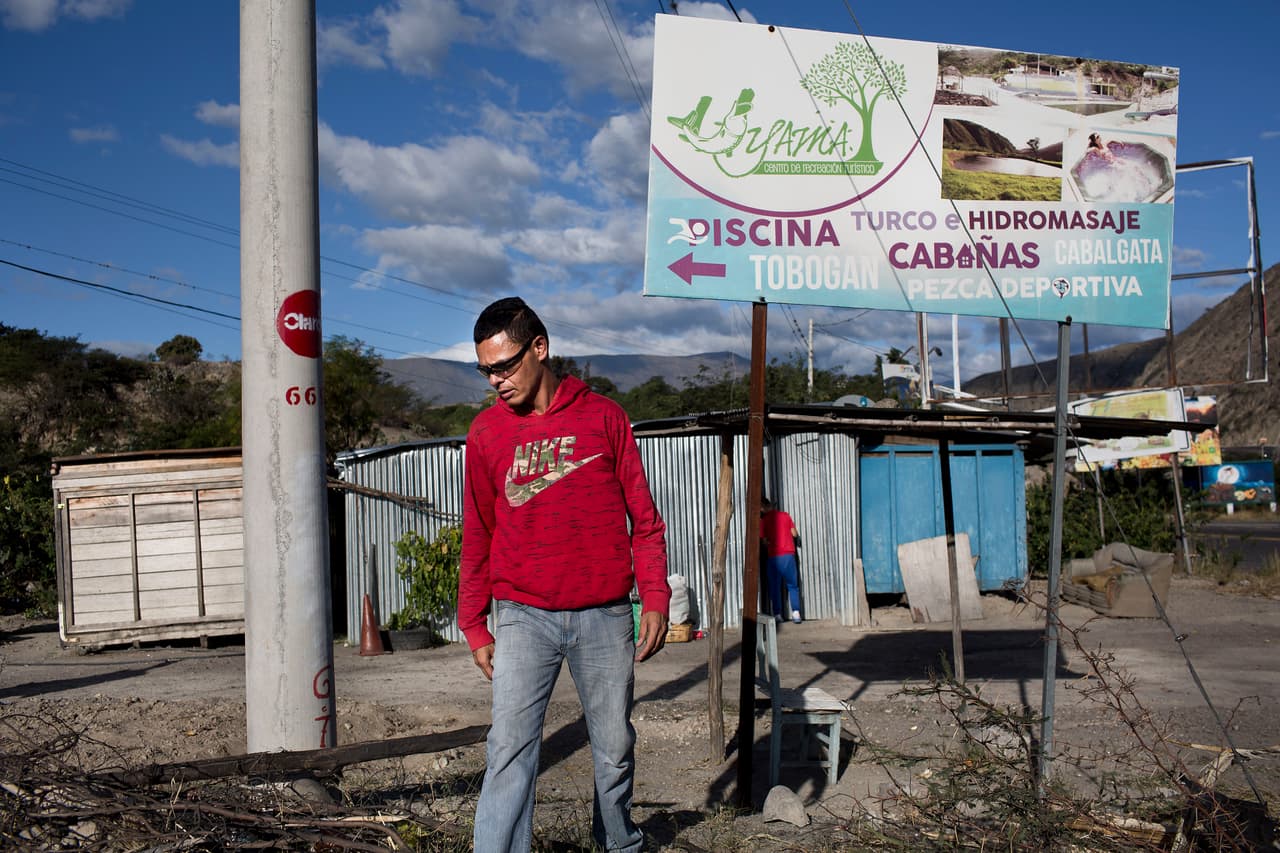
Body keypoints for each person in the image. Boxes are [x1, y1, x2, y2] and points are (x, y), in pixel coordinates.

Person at [457, 296, 670, 853]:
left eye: (505, 366)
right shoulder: (485, 434)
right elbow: (477, 532)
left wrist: (654, 597)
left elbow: (644, 523)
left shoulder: (604, 418)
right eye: (487, 371)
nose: (496, 381)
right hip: (524, 616)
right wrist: (474, 623)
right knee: (508, 748)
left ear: (540, 348)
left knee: (613, 749)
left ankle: (619, 843)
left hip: (604, 616)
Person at [760, 497, 802, 623]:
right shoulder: (785, 516)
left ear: (763, 507)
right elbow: (794, 534)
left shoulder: (764, 521)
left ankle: (778, 615)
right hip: (788, 556)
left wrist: (770, 542)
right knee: (793, 585)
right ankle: (796, 614)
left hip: (773, 557)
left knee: (775, 586)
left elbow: (764, 541)